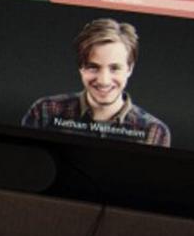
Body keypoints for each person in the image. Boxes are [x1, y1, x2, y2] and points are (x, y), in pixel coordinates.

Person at [20, 18, 170, 145]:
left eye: (114, 68)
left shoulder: (154, 131)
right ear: (81, 68)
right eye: (93, 67)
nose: (104, 81)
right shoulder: (44, 111)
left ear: (129, 69)